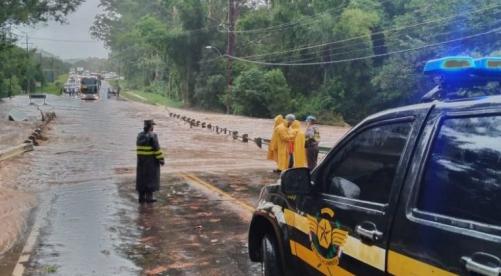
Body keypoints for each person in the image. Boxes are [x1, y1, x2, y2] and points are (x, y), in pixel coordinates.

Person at [136, 120, 164, 203]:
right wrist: (161, 159)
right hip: (151, 161)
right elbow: (156, 149)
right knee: (151, 179)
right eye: (153, 125)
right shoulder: (153, 135)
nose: (153, 127)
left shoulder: (139, 135)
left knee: (141, 179)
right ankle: (149, 198)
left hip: (141, 162)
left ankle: (141, 198)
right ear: (151, 126)